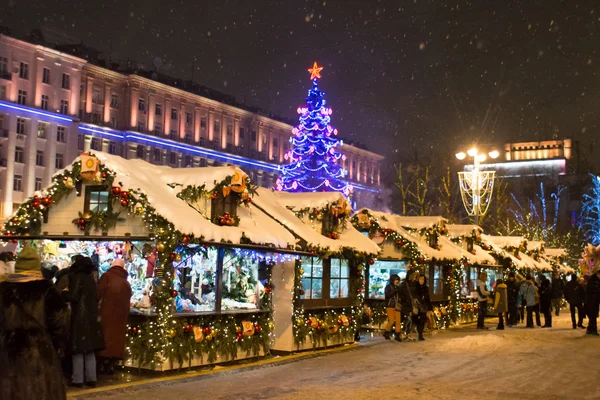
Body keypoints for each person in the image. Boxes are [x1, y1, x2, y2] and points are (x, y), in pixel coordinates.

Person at [0, 246, 69, 400]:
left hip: (8, 358)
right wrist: (53, 347)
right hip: (41, 357)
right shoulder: (47, 291)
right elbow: (61, 322)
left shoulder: (3, 291)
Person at [62, 257, 105, 387]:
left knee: (78, 350)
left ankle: (78, 379)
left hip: (79, 318)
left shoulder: (77, 277)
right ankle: (91, 378)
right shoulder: (91, 279)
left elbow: (74, 296)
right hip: (91, 318)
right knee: (90, 350)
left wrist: (64, 293)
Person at [97, 259, 132, 374]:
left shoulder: (106, 277)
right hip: (121, 317)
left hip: (105, 314)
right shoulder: (126, 283)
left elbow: (98, 294)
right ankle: (111, 365)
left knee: (105, 338)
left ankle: (102, 364)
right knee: (116, 339)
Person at [399, 271, 419, 338]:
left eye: (415, 276)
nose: (414, 278)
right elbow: (401, 293)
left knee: (410, 319)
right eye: (413, 276)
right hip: (405, 304)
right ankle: (404, 332)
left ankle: (407, 333)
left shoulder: (414, 284)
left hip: (411, 304)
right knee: (408, 319)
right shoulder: (404, 284)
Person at [383, 274, 402, 341]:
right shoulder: (388, 287)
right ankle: (386, 332)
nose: (397, 281)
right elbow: (388, 295)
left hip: (397, 306)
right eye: (396, 280)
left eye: (398, 280)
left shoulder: (398, 287)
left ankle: (397, 335)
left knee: (398, 321)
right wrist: (395, 291)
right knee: (391, 320)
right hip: (390, 306)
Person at [414, 274, 432, 341]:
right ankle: (418, 333)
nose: (421, 281)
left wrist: (430, 307)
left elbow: (428, 298)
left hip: (423, 307)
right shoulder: (415, 287)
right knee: (417, 321)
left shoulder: (426, 288)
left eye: (423, 279)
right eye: (420, 279)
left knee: (422, 321)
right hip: (416, 306)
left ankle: (420, 335)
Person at [585, 268, 600, 336]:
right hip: (592, 301)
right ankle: (593, 330)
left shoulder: (596, 280)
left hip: (595, 301)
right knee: (593, 315)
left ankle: (590, 329)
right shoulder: (593, 280)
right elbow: (590, 291)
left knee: (592, 316)